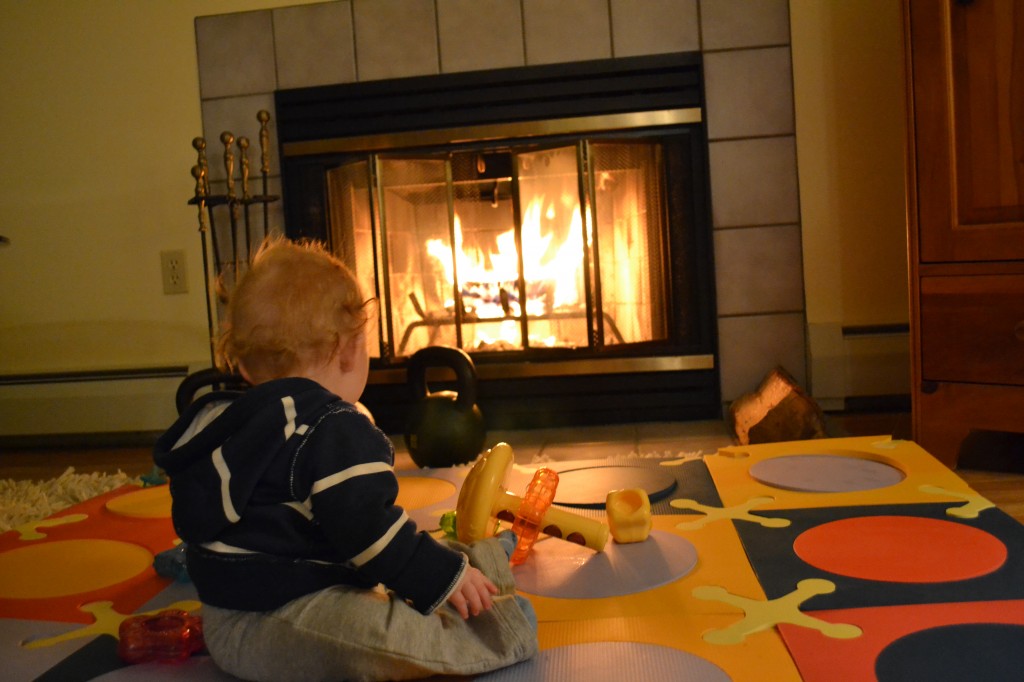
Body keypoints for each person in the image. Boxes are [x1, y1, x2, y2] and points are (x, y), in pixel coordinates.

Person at [153, 237, 537, 681]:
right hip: (273, 622)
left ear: (242, 366)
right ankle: (501, 629)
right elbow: (367, 531)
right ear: (351, 350)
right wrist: (435, 578)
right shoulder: (333, 426)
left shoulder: (230, 420)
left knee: (410, 552)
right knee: (372, 633)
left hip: (231, 609)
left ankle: (476, 566)